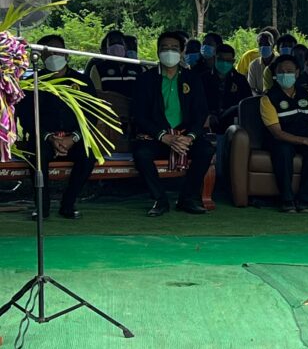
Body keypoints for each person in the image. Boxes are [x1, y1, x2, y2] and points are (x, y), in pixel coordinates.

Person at [132, 31, 214, 217]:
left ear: (182, 52)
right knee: (141, 154)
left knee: (206, 150)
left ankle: (187, 198)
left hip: (185, 137)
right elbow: (139, 115)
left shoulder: (192, 78)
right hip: (157, 137)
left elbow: (201, 112)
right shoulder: (145, 79)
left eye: (174, 48)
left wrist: (189, 137)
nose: (169, 52)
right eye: (165, 48)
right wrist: (164, 137)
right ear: (158, 51)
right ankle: (160, 200)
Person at [18, 34, 96, 220]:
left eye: (57, 51)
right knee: (37, 156)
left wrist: (73, 137)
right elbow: (26, 117)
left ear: (66, 53)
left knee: (88, 157)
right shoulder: (33, 82)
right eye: (48, 52)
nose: (53, 55)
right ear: (41, 57)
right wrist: (49, 137)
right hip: (44, 138)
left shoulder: (82, 81)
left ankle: (68, 204)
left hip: (75, 137)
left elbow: (92, 114)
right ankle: (42, 207)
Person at [260, 55, 308, 212]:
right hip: (280, 140)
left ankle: (304, 199)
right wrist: (306, 141)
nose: (286, 75)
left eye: (289, 71)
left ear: (297, 73)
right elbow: (277, 133)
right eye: (281, 72)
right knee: (283, 151)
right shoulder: (268, 99)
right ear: (275, 74)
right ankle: (287, 200)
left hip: (305, 138)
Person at [202, 43, 250, 133]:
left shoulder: (240, 80)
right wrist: (208, 115)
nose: (224, 63)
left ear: (233, 61)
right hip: (208, 122)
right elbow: (198, 103)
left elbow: (246, 104)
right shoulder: (203, 79)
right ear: (214, 58)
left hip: (233, 122)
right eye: (221, 59)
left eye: (228, 60)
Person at [87, 30, 141, 98]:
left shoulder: (138, 68)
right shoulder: (98, 69)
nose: (116, 46)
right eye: (112, 43)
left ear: (126, 47)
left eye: (120, 43)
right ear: (106, 49)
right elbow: (96, 94)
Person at [247, 30, 276, 94]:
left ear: (273, 46)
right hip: (259, 97)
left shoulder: (279, 63)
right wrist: (259, 97)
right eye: (260, 44)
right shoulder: (254, 65)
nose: (263, 46)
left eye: (267, 44)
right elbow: (251, 88)